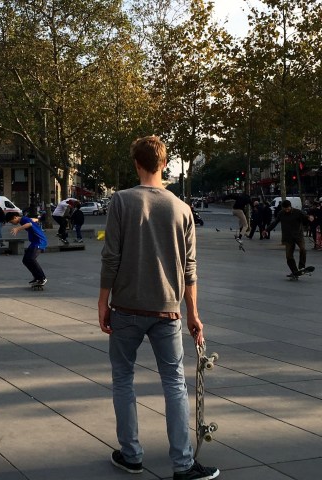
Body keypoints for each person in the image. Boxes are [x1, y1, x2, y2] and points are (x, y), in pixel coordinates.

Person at [98, 136, 219, 480]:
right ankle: (183, 464)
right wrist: (193, 314)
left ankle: (131, 455)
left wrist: (103, 301)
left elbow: (111, 257)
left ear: (136, 164)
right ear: (164, 164)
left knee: (123, 378)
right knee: (174, 383)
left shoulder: (121, 201)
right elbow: (190, 268)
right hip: (168, 311)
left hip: (126, 307)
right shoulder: (182, 208)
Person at [263, 199, 312, 278]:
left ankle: (301, 267)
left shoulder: (297, 212)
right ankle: (295, 271)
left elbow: (305, 218)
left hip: (298, 235)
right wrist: (266, 230)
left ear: (290, 206)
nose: (286, 210)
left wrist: (309, 218)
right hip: (288, 237)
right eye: (285, 209)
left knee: (303, 249)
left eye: (288, 209)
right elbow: (274, 222)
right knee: (289, 256)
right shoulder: (281, 213)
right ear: (283, 208)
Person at [6, 211, 47, 287]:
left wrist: (18, 229)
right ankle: (37, 277)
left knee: (31, 259)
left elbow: (29, 224)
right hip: (34, 242)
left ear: (15, 217)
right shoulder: (24, 219)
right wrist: (38, 219)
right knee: (25, 260)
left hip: (39, 241)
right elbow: (33, 220)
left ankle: (42, 278)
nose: (12, 223)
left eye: (11, 221)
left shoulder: (23, 220)